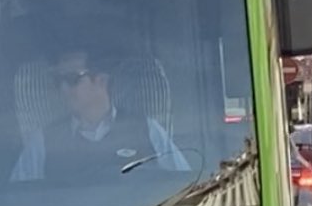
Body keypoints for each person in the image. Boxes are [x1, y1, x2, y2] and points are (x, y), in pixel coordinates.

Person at [12, 46, 188, 182]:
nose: (63, 89)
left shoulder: (147, 129)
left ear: (101, 80)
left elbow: (185, 186)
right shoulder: (42, 141)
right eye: (58, 81)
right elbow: (15, 201)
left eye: (72, 79)